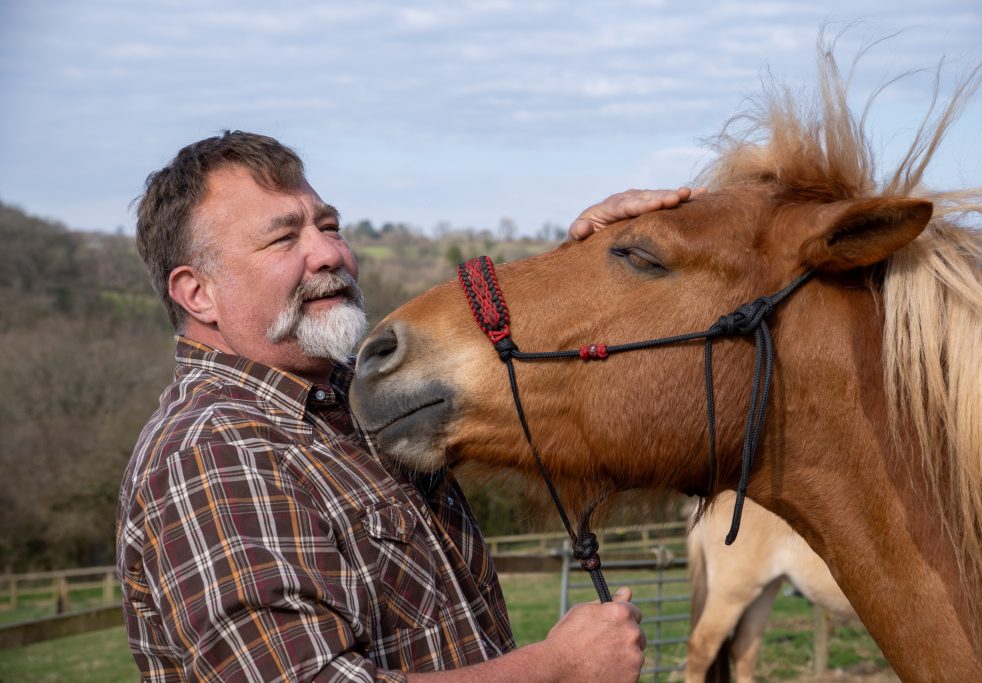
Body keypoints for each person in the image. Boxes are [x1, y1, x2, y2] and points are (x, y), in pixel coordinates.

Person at [117, 130, 698, 682]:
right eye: (283, 238)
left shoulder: (346, 400)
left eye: (329, 226)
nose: (329, 254)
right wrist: (558, 669)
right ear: (198, 293)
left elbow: (480, 353)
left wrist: (596, 259)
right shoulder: (216, 454)